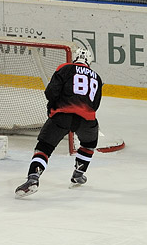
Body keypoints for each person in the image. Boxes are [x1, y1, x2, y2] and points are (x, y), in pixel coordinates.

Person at [15, 47, 102, 197]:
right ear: (89, 61)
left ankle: (33, 178)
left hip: (62, 116)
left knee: (44, 147)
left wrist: (53, 108)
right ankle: (78, 174)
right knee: (89, 144)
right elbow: (95, 104)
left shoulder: (65, 68)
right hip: (87, 120)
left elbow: (51, 92)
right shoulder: (97, 77)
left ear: (74, 58)